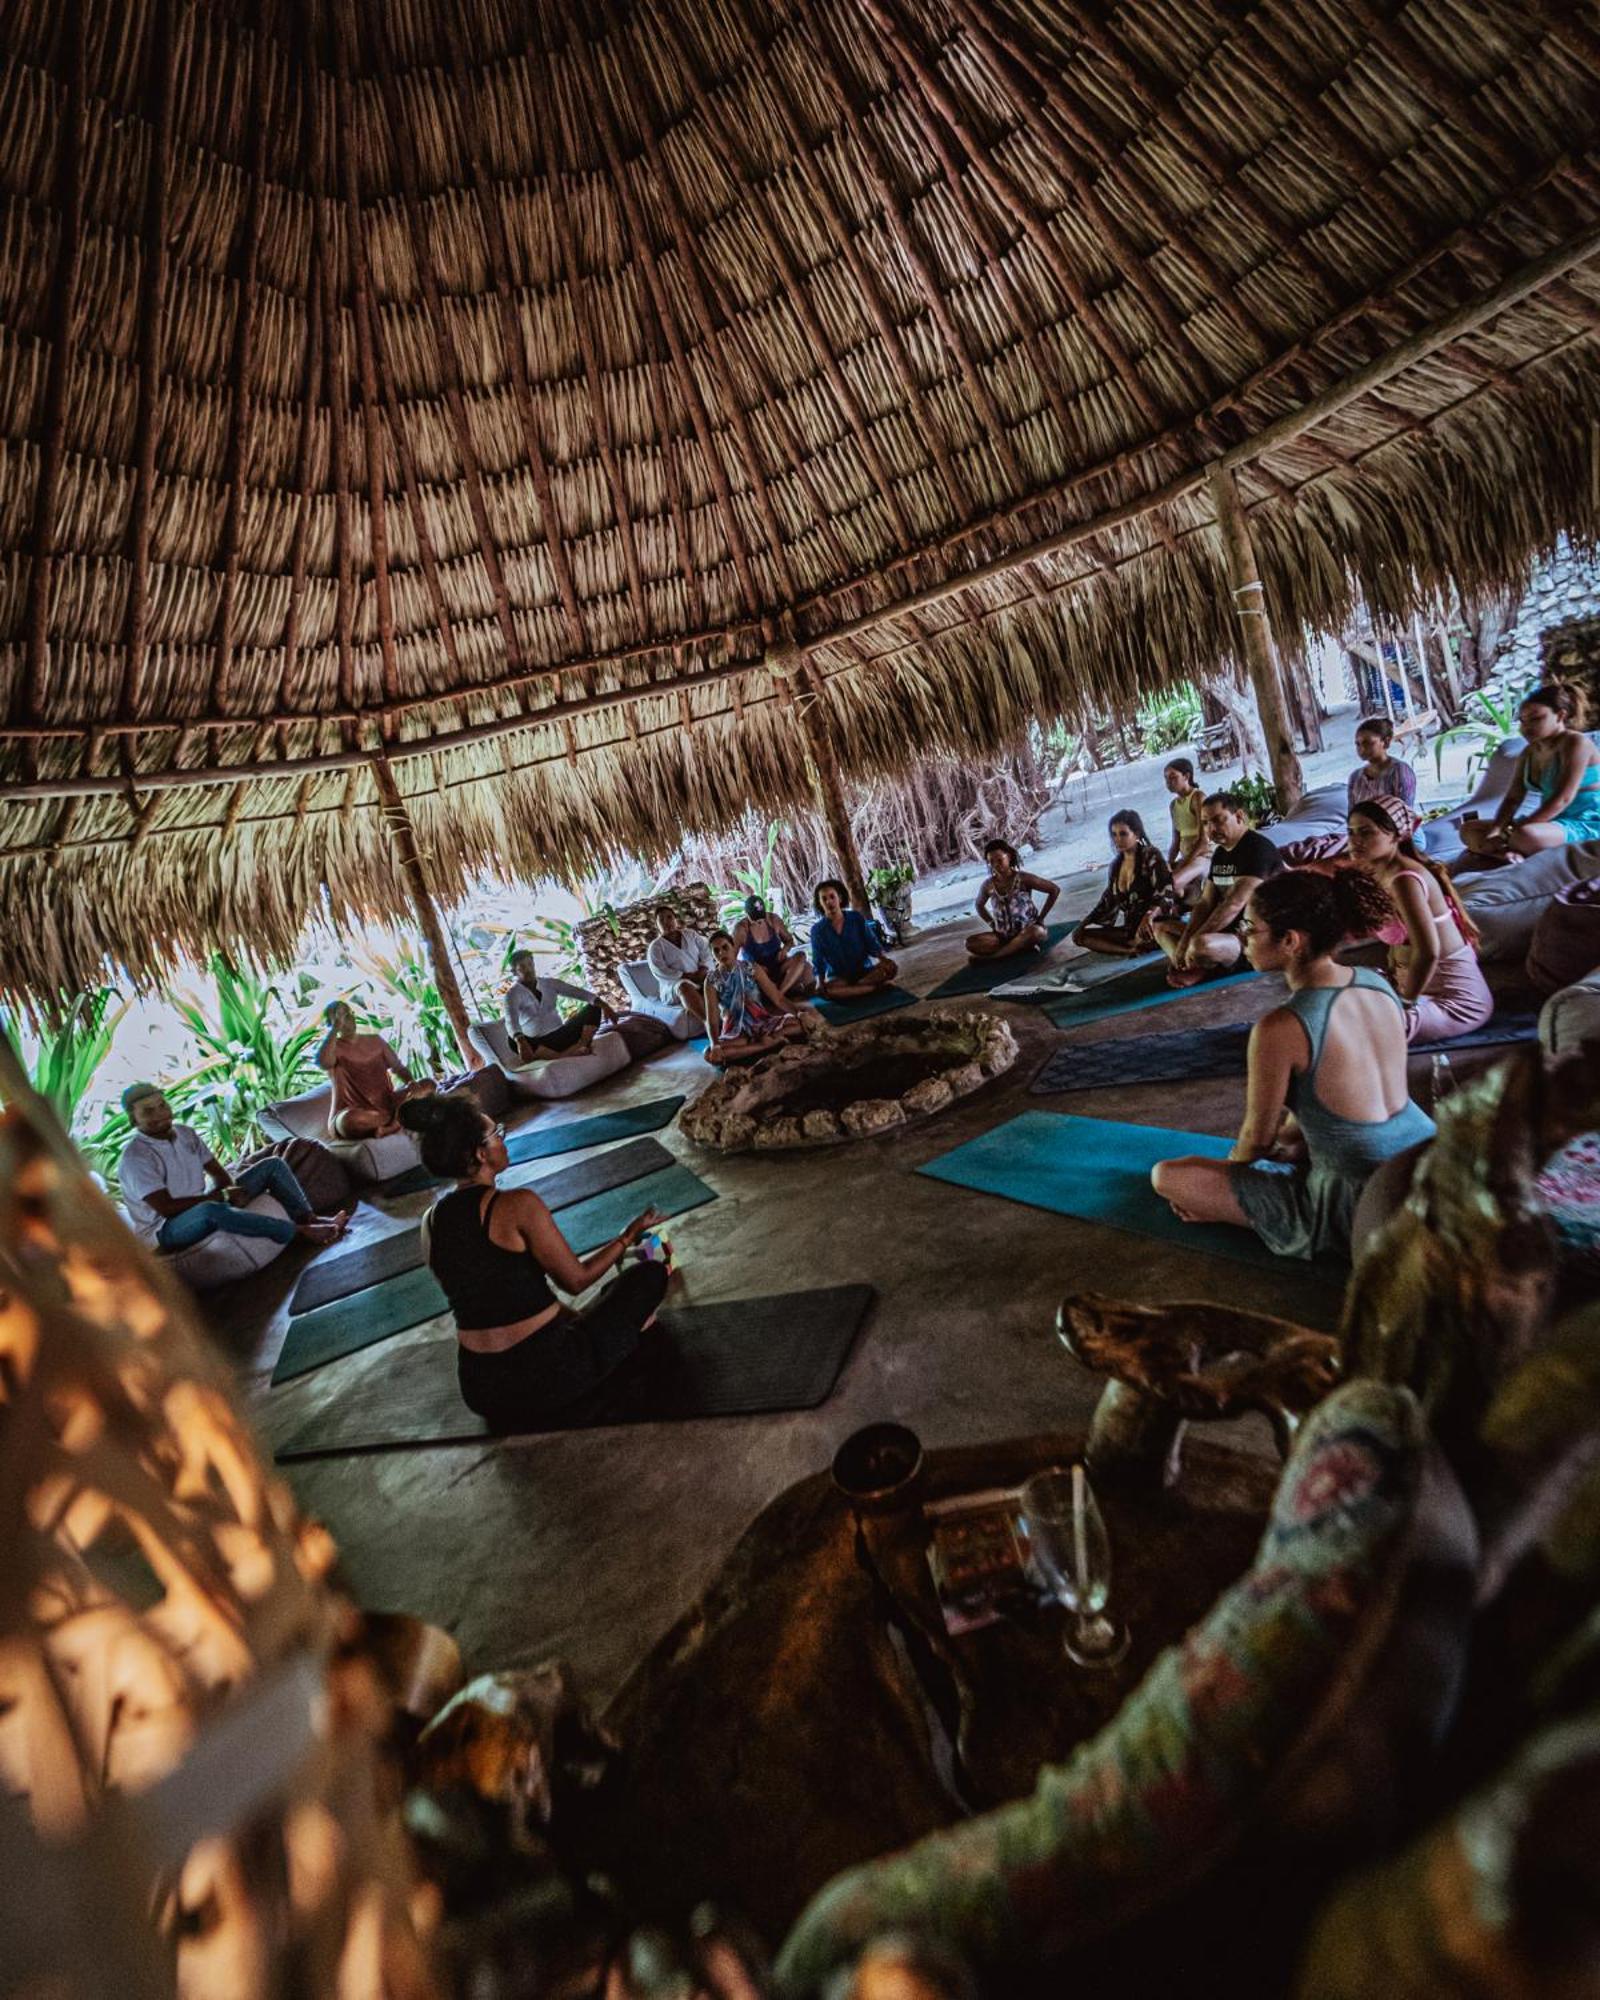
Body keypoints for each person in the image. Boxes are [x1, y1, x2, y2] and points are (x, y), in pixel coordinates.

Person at [1151, 871, 1435, 1260]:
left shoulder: (1280, 1028)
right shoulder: (1375, 982)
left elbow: (1256, 1141)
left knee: (1168, 1176)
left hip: (1362, 1198)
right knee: (1291, 1142)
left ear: (1290, 941)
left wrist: (1232, 1184)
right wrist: (1290, 1143)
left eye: (1250, 928)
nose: (1243, 939)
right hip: (1428, 1159)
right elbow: (1339, 1092)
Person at [402, 1094, 671, 1428]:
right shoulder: (518, 1205)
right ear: (480, 1154)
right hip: (549, 1379)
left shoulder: (429, 1222)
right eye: (496, 1134)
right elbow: (576, 1280)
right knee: (649, 1276)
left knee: (606, 1304)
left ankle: (592, 1333)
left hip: (479, 1390)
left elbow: (487, 1295)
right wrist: (627, 1237)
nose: (503, 1138)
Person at [118, 1084, 349, 1253]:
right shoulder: (136, 1156)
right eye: (148, 1111)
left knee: (272, 1166)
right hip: (164, 1230)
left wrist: (229, 1190)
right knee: (210, 1210)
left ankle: (311, 1219)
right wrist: (219, 1198)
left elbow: (218, 1173)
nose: (160, 1114)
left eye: (162, 1105)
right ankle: (298, 1232)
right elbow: (166, 1208)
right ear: (133, 1119)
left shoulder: (185, 1133)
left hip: (202, 1203)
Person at [1347, 798, 1493, 1043]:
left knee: (1358, 1030)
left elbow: (1428, 952)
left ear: (1397, 836)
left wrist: (1404, 1003)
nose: (1355, 840)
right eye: (1350, 832)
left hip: (1454, 1003)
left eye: (1366, 832)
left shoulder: (1405, 880)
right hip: (1419, 994)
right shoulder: (1378, 872)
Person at [1152, 792, 1283, 987]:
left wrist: (1192, 941)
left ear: (1239, 816)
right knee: (1161, 927)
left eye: (1218, 820)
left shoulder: (1258, 849)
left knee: (1202, 945)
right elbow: (1206, 902)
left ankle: (1199, 966)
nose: (1211, 829)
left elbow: (1234, 904)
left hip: (1254, 939)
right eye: (1205, 823)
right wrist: (1185, 941)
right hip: (1225, 934)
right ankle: (1192, 963)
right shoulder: (1221, 853)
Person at [1459, 682, 1600, 861]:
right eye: (1523, 721)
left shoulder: (1576, 743)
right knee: (1468, 829)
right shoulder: (1529, 752)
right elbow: (1512, 799)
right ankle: (1507, 855)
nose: (1526, 727)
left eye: (1536, 718)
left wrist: (1518, 829)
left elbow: (1563, 799)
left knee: (1526, 835)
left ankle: (1508, 850)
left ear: (1560, 716)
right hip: (1550, 824)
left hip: (1585, 823)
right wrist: (1495, 831)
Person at [317, 1001, 434, 1138]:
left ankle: (392, 1124)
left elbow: (398, 1068)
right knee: (348, 1121)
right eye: (341, 1016)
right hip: (359, 1112)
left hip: (388, 1103)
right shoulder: (333, 1049)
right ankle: (399, 1117)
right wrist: (335, 1028)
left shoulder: (375, 1041)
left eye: (349, 1013)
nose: (348, 1018)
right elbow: (323, 1062)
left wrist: (411, 1082)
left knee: (428, 1085)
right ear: (332, 1024)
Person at [1073, 810, 1174, 956]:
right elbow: (1107, 901)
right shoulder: (1115, 866)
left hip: (1153, 925)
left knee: (1145, 935)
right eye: (1114, 834)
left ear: (1137, 834)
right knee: (1080, 936)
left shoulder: (1150, 855)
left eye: (1123, 834)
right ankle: (1130, 950)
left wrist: (1149, 916)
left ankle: (1137, 944)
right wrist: (1085, 923)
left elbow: (1167, 890)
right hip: (1130, 929)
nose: (1117, 839)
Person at [703, 930, 808, 1065]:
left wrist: (800, 1013)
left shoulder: (751, 968)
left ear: (733, 946)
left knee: (799, 1024)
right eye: (716, 951)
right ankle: (768, 1045)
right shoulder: (711, 980)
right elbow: (711, 1019)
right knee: (709, 1054)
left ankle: (755, 1046)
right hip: (736, 1031)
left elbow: (778, 998)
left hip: (761, 1023)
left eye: (725, 947)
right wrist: (715, 1045)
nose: (721, 953)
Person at [503, 950, 615, 1062]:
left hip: (563, 1035)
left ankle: (581, 1045)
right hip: (541, 1045)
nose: (528, 970)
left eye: (530, 964)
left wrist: (605, 1005)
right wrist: (521, 1041)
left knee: (594, 1007)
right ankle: (565, 1056)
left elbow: (579, 993)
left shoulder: (549, 983)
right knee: (512, 1040)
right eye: (522, 967)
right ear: (514, 972)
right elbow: (510, 1020)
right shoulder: (512, 994)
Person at [966, 839, 1061, 960]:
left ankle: (994, 958)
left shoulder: (1023, 878)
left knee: (1037, 933)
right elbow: (979, 905)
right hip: (1002, 936)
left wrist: (1041, 918)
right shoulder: (987, 885)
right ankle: (1018, 948)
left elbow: (1054, 890)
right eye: (991, 862)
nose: (996, 865)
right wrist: (992, 923)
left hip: (1027, 931)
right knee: (970, 943)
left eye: (1000, 860)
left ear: (1009, 857)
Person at [810, 879, 897, 999]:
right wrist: (820, 982)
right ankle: (875, 988)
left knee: (890, 968)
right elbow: (818, 960)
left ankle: (855, 990)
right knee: (827, 991)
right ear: (820, 903)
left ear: (839, 898)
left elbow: (871, 943)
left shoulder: (855, 918)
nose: (829, 902)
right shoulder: (817, 930)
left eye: (832, 897)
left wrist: (884, 960)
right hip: (839, 978)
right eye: (824, 899)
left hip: (865, 972)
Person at [646, 906, 715, 1025]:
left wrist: (703, 969)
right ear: (657, 925)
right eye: (661, 920)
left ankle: (729, 1017)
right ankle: (709, 1024)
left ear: (675, 919)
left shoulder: (691, 934)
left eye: (669, 917)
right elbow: (660, 971)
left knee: (717, 979)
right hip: (673, 985)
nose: (667, 922)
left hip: (699, 975)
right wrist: (685, 976)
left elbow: (706, 952)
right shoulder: (655, 947)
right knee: (684, 987)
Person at [733, 895, 814, 996]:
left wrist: (784, 951)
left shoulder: (773, 920)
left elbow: (789, 940)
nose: (759, 921)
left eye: (761, 917)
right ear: (746, 914)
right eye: (755, 919)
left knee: (801, 957)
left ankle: (780, 993)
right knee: (754, 970)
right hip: (759, 974)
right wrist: (752, 966)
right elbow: (731, 959)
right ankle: (780, 994)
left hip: (779, 966)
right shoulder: (741, 929)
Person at [1346, 714, 1419, 816]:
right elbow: (1353, 814)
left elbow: (1405, 815)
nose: (1361, 749)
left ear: (1386, 742)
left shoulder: (1400, 771)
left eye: (1368, 743)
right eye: (1358, 744)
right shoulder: (1355, 777)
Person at [1162, 758, 1211, 902]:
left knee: (1172, 884)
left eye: (1173, 777)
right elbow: (1176, 841)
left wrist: (1184, 864)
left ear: (1187, 776)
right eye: (1166, 779)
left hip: (1204, 856)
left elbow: (1204, 841)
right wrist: (1168, 864)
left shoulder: (1197, 797)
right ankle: (1190, 894)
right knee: (1161, 882)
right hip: (1188, 858)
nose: (1168, 782)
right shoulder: (1173, 806)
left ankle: (1191, 894)